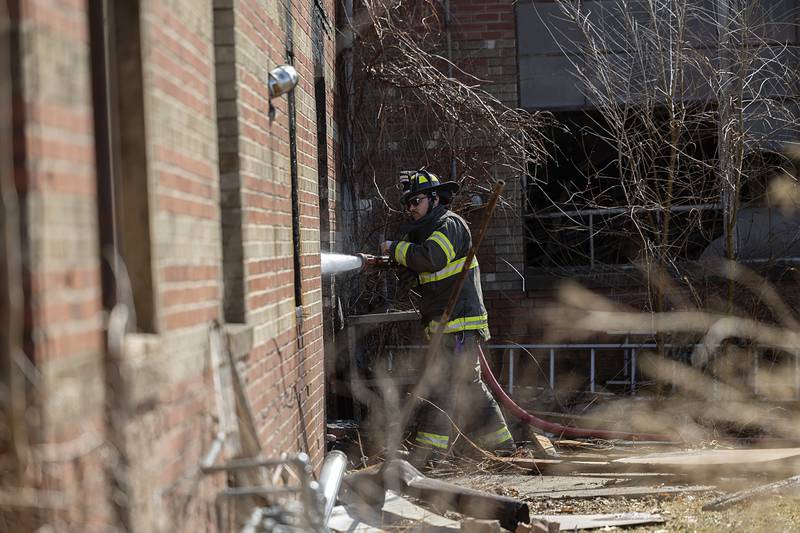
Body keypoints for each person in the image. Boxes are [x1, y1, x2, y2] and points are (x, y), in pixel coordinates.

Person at [380, 170, 515, 463]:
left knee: (444, 386)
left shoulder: (449, 224)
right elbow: (421, 278)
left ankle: (430, 454)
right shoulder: (428, 232)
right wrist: (402, 264)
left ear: (434, 198)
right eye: (407, 203)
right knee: (467, 386)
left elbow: (432, 259)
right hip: (448, 325)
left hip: (459, 325)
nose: (410, 208)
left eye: (415, 201)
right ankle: (502, 446)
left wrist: (397, 249)